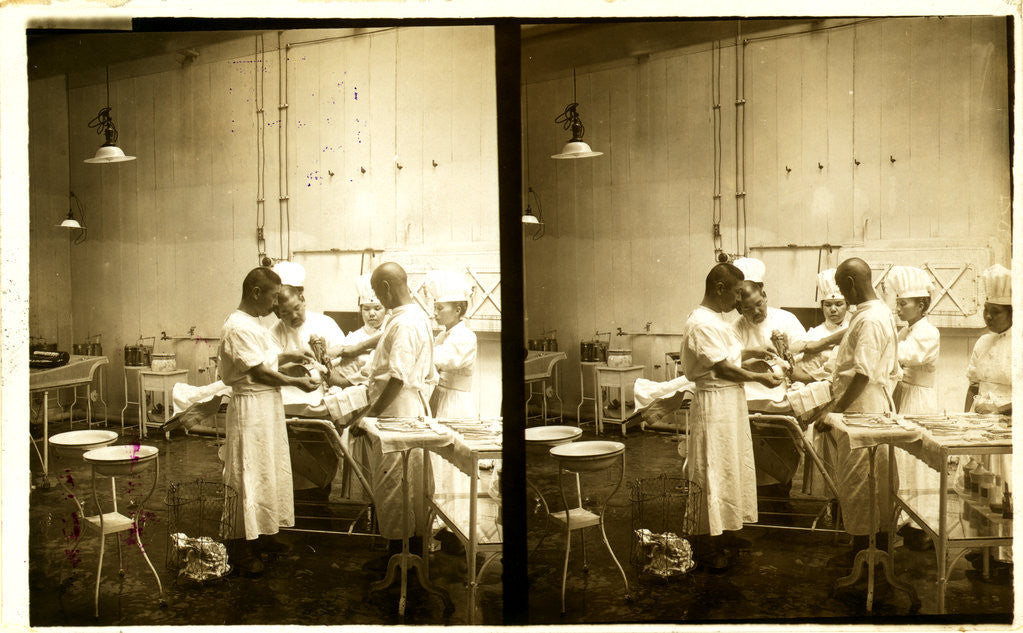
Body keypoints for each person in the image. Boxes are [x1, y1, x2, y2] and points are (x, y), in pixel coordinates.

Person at [679, 262, 782, 570]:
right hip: (714, 404)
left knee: (730, 466)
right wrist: (760, 377)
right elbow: (722, 368)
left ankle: (726, 531)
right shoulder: (701, 322)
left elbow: (728, 357)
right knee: (712, 468)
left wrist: (756, 353)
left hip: (728, 402)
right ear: (720, 288)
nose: (740, 300)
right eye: (737, 293)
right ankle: (705, 543)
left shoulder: (716, 320)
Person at [218, 267, 320, 575]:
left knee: (267, 471)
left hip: (266, 407)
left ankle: (263, 534)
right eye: (274, 297)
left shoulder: (254, 324)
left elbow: (267, 360)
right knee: (248, 473)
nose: (276, 305)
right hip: (250, 409)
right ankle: (238, 547)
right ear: (256, 293)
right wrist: (296, 382)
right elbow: (259, 372)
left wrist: (293, 356)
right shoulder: (237, 326)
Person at [815, 257, 901, 568]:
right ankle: (863, 548)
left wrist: (832, 411)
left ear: (851, 284)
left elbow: (863, 374)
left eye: (841, 288)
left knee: (861, 482)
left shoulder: (871, 319)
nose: (841, 295)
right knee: (863, 481)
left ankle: (866, 556)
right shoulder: (871, 313)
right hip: (864, 406)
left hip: (862, 408)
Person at [348, 262, 437, 555]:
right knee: (404, 485)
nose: (377, 299)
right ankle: (405, 553)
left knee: (395, 487)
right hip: (404, 410)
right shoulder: (409, 317)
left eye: (377, 292)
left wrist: (368, 415)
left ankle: (400, 558)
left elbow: (397, 378)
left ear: (385, 288)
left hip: (398, 413)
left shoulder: (405, 323)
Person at [886, 265, 941, 551]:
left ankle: (923, 526)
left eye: (903, 303)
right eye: (897, 302)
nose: (898, 308)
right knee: (901, 461)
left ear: (921, 305)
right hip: (903, 395)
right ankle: (905, 521)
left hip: (919, 399)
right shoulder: (906, 330)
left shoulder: (928, 332)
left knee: (918, 462)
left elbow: (905, 356)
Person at [964, 264, 1012, 579]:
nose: (988, 316)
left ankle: (1006, 559)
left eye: (995, 312)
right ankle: (982, 550)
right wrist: (964, 420)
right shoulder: (982, 342)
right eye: (986, 310)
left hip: (1010, 426)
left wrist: (999, 411)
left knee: (1005, 488)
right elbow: (972, 385)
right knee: (978, 487)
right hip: (980, 425)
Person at [426, 270, 477, 419]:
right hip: (439, 395)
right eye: (435, 307)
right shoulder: (442, 336)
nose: (435, 313)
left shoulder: (466, 336)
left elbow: (441, 359)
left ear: (457, 310)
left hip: (455, 401)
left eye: (440, 308)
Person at [795, 268, 851, 382]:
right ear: (822, 307)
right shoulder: (814, 333)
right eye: (828, 305)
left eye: (839, 304)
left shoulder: (853, 327)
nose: (833, 309)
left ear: (848, 306)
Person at [331, 274, 387, 385]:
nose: (371, 313)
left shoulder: (390, 330)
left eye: (377, 308)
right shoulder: (353, 337)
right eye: (366, 309)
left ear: (386, 310)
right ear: (360, 311)